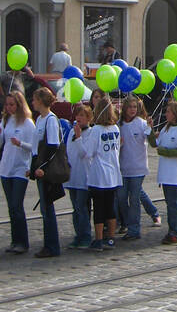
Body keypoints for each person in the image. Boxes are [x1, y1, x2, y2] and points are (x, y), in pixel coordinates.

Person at [0, 91, 36, 254]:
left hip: (21, 168)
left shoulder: (27, 123)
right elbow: (0, 145)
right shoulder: (7, 120)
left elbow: (34, 147)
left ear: (19, 105)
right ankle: (15, 240)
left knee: (16, 205)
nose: (9, 108)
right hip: (6, 168)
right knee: (11, 208)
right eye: (7, 104)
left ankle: (23, 242)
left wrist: (21, 144)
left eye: (12, 104)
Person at [30, 85, 68, 259]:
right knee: (45, 208)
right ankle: (48, 244)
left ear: (41, 101)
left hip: (47, 170)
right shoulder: (39, 119)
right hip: (39, 166)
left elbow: (52, 147)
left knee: (48, 208)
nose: (32, 103)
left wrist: (42, 168)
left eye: (35, 100)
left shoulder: (51, 120)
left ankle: (52, 245)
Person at [82, 97, 122, 250]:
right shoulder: (115, 129)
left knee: (98, 208)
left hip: (99, 174)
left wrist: (80, 139)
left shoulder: (96, 130)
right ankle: (111, 237)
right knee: (110, 206)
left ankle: (98, 239)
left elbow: (89, 152)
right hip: (113, 173)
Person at [152, 99, 177, 243]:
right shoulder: (166, 128)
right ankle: (172, 229)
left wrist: (164, 151)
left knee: (172, 202)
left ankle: (176, 231)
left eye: (168, 112)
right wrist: (149, 131)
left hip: (175, 174)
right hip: (165, 174)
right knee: (170, 203)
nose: (166, 114)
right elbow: (156, 144)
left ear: (175, 113)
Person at [118, 96, 153, 240]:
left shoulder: (142, 123)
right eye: (130, 107)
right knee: (120, 198)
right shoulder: (119, 124)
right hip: (123, 167)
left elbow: (152, 142)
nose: (132, 110)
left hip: (138, 168)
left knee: (134, 199)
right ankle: (126, 222)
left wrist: (151, 129)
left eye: (134, 107)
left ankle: (134, 229)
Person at [65, 104, 95, 248]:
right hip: (72, 176)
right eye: (77, 115)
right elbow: (69, 152)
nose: (79, 118)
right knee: (75, 208)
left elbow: (85, 153)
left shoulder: (90, 133)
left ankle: (86, 236)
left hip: (84, 176)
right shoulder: (71, 132)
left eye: (82, 115)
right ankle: (78, 235)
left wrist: (78, 138)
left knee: (82, 207)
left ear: (88, 118)